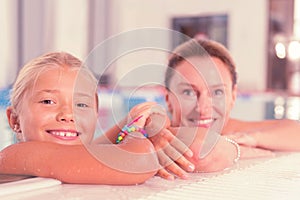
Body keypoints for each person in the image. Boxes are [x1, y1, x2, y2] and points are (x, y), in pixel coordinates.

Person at [0, 52, 159, 185]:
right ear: (15, 120)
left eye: (81, 104)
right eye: (48, 101)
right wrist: (135, 131)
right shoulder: (20, 155)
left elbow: (91, 151)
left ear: (96, 115)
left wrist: (140, 117)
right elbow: (139, 160)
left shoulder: (64, 159)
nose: (68, 115)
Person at [153, 38, 300, 179]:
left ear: (233, 96)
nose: (203, 108)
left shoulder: (232, 131)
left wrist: (254, 138)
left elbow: (295, 131)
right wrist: (237, 150)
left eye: (217, 92)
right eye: (188, 92)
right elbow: (200, 150)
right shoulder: (156, 131)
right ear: (168, 98)